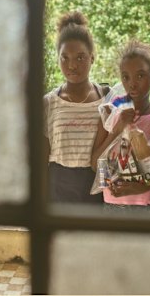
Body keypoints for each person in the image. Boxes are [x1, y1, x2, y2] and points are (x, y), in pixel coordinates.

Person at [44, 11, 109, 204]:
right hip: (58, 189)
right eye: (65, 58)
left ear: (92, 58)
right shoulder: (48, 102)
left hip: (97, 187)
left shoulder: (106, 98)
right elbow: (41, 159)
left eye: (80, 57)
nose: (72, 65)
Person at [91, 40, 150, 212]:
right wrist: (118, 128)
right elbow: (95, 164)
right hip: (112, 204)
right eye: (125, 77)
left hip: (147, 206)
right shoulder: (110, 116)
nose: (132, 84)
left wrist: (142, 186)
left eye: (140, 75)